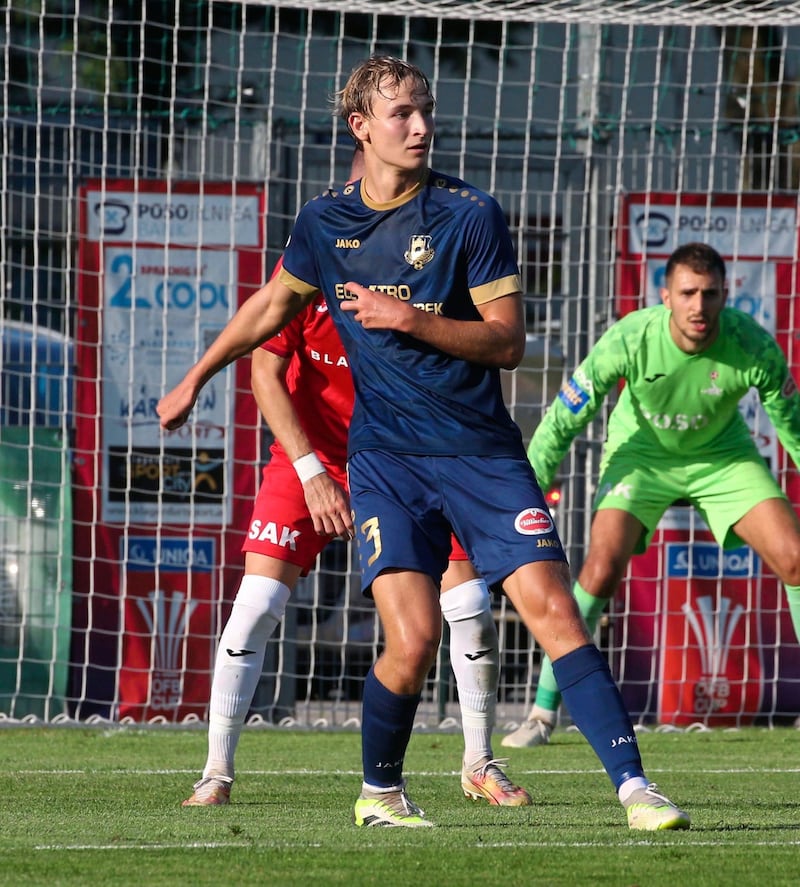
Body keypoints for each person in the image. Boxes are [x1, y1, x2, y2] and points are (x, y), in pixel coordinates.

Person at [158, 55, 688, 830]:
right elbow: (272, 305)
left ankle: (635, 790)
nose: (419, 126)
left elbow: (508, 342)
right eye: (401, 113)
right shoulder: (323, 222)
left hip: (482, 454)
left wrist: (411, 318)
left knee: (553, 611)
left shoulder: (470, 215)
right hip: (387, 461)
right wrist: (198, 375)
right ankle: (378, 792)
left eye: (425, 110)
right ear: (361, 126)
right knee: (410, 639)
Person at [181, 157, 530, 810]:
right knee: (254, 606)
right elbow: (263, 373)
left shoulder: (435, 266)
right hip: (309, 457)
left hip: (412, 457)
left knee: (471, 610)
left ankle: (480, 761)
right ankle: (215, 773)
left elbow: (498, 338)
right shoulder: (317, 262)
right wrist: (312, 472)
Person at [502, 241, 800, 749]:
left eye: (709, 294)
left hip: (722, 458)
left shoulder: (753, 346)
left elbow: (792, 425)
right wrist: (520, 497)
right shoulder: (629, 339)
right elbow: (562, 419)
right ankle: (542, 713)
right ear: (666, 295)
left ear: (726, 295)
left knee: (795, 558)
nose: (698, 306)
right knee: (599, 567)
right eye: (688, 293)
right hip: (640, 457)